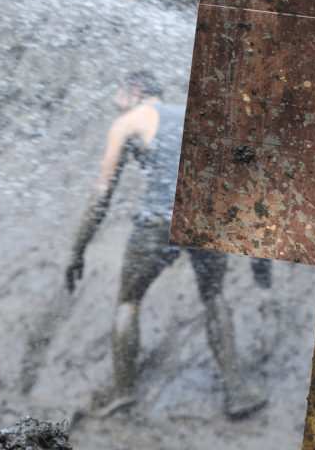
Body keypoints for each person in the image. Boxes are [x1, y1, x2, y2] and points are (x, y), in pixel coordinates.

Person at [64, 72, 267, 419]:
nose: (115, 103)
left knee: (128, 301)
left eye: (118, 95)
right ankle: (238, 390)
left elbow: (102, 196)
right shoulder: (194, 115)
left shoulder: (127, 122)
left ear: (135, 92)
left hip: (158, 219)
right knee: (214, 295)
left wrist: (76, 251)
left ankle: (124, 391)